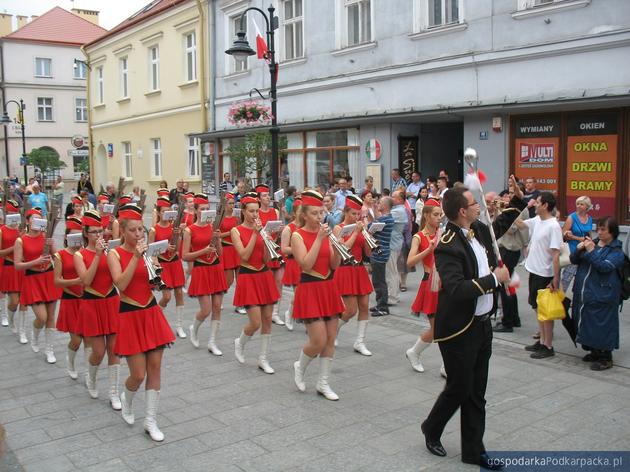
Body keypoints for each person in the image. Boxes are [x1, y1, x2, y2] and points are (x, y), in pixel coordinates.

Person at [420, 181, 524, 470]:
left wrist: (518, 198)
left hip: (482, 325)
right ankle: (432, 427)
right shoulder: (447, 246)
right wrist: (495, 279)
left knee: (476, 391)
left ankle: (474, 452)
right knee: (459, 387)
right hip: (458, 329)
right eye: (475, 203)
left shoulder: (478, 228)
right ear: (463, 211)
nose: (481, 206)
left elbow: (499, 223)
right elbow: (456, 289)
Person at [108, 203, 175, 442]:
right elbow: (121, 284)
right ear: (123, 231)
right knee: (137, 374)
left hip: (150, 311)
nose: (138, 235)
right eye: (134, 230)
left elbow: (154, 284)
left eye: (141, 230)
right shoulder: (114, 254)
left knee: (155, 368)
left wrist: (158, 275)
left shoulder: (148, 253)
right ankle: (127, 399)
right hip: (129, 313)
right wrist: (137, 257)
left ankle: (150, 420)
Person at [290, 190, 345, 400]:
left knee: (330, 338)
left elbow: (333, 264)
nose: (319, 217)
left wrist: (338, 248)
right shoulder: (297, 235)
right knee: (318, 340)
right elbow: (305, 264)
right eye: (314, 213)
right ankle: (300, 365)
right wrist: (319, 238)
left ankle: (323, 383)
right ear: (304, 215)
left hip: (328, 286)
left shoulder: (327, 233)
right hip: (310, 288)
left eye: (321, 213)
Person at [74, 211, 121, 407]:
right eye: (93, 232)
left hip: (110, 300)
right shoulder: (79, 254)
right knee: (98, 352)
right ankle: (91, 376)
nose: (98, 235)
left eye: (100, 231)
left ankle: (114, 392)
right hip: (92, 302)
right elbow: (86, 280)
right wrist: (98, 255)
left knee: (114, 350)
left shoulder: (111, 251)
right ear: (85, 233)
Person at [231, 192, 281, 373]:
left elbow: (267, 259)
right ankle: (240, 341)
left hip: (264, 274)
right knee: (255, 322)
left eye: (257, 212)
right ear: (243, 211)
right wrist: (254, 234)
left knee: (267, 319)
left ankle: (263, 358)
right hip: (248, 276)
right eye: (251, 211)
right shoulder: (235, 231)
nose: (254, 215)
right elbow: (243, 255)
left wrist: (268, 240)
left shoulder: (262, 230)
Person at [571, 216, 624, 371]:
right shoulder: (592, 244)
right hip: (585, 292)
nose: (599, 233)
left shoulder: (616, 251)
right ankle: (594, 351)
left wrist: (591, 251)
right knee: (587, 322)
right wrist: (579, 248)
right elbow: (573, 259)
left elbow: (603, 267)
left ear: (612, 232)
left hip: (604, 294)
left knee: (603, 325)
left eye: (603, 229)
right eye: (598, 229)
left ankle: (606, 356)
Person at [517, 192, 563, 359]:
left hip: (545, 274)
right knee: (537, 309)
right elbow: (520, 224)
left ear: (545, 205)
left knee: (546, 311)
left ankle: (548, 345)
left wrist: (555, 279)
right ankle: (542, 340)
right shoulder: (538, 221)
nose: (534, 204)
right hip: (534, 271)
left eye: (537, 202)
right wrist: (515, 207)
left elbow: (556, 254)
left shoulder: (553, 226)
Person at [14, 207, 61, 363]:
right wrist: (35, 261)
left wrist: (52, 244)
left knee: (51, 317)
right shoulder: (21, 240)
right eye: (34, 218)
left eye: (39, 218)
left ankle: (49, 350)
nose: (37, 221)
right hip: (33, 280)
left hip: (48, 277)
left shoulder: (45, 237)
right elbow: (17, 265)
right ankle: (34, 335)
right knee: (42, 317)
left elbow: (57, 257)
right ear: (27, 221)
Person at [182, 193, 227, 355]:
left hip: (215, 268)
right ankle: (194, 327)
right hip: (201, 269)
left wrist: (218, 239)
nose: (206, 212)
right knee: (206, 309)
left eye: (208, 209)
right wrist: (204, 250)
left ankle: (212, 342)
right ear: (195, 211)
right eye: (202, 209)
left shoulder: (213, 227)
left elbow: (220, 254)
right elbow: (185, 256)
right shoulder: (189, 230)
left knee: (217, 307)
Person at [334, 195, 374, 356]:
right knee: (350, 310)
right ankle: (333, 330)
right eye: (353, 214)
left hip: (359, 269)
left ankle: (360, 342)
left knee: (364, 307)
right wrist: (357, 232)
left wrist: (368, 238)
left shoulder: (360, 228)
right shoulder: (338, 228)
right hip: (345, 269)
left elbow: (368, 253)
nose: (356, 217)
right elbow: (345, 250)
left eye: (358, 214)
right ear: (345, 212)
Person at [406, 199, 442, 373]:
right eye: (435, 215)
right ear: (426, 215)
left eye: (440, 214)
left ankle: (446, 366)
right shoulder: (418, 237)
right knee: (437, 329)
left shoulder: (443, 232)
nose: (439, 218)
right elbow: (409, 261)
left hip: (446, 285)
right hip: (430, 285)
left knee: (447, 326)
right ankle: (414, 352)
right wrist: (428, 250)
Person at [148, 197, 187, 338]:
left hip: (175, 262)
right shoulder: (153, 230)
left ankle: (179, 326)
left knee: (179, 293)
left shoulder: (173, 227)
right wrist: (163, 250)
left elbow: (177, 248)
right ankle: (155, 319)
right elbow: (150, 252)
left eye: (169, 211)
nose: (167, 213)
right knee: (166, 296)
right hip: (163, 264)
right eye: (164, 211)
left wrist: (180, 235)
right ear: (158, 213)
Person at [493, 189, 530, 333]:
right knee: (509, 284)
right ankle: (514, 318)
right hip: (505, 248)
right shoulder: (507, 209)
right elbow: (497, 226)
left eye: (510, 195)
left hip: (511, 249)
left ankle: (507, 321)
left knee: (505, 285)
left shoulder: (519, 210)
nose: (506, 198)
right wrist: (498, 211)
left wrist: (504, 212)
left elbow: (509, 229)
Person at [54, 217, 84, 380]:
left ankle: (88, 372)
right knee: (76, 340)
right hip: (70, 300)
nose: (76, 239)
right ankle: (70, 361)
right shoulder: (60, 255)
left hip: (86, 299)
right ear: (66, 237)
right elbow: (57, 281)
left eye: (79, 235)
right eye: (73, 235)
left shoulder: (85, 253)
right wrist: (75, 283)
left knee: (89, 340)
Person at [256, 184, 285, 326]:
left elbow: (278, 232)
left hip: (275, 248)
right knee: (266, 281)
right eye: (265, 195)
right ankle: (264, 309)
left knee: (279, 280)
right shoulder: (256, 214)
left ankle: (275, 313)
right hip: (264, 249)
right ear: (259, 199)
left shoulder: (275, 211)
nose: (268, 197)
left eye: (268, 195)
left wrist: (280, 231)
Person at [0, 200, 26, 342]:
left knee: (23, 301)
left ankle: (22, 331)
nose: (13, 216)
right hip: (9, 267)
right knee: (14, 301)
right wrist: (16, 245)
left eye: (15, 213)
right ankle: (9, 316)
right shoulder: (2, 230)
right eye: (10, 213)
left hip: (22, 267)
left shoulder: (21, 229)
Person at [561, 196, 593, 292]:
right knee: (567, 278)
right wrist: (578, 238)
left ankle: (577, 299)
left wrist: (590, 241)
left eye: (581, 204)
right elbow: (563, 234)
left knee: (580, 278)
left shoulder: (589, 218)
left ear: (587, 207)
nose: (578, 206)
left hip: (584, 252)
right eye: (577, 204)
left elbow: (589, 233)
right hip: (572, 251)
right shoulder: (572, 217)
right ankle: (559, 299)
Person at [369, 197, 394, 316]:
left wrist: (367, 218)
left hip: (379, 253)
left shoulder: (384, 220)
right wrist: (374, 209)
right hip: (381, 252)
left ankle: (383, 307)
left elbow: (370, 227)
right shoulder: (387, 218)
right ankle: (380, 303)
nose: (378, 204)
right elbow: (376, 222)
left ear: (385, 206)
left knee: (379, 281)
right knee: (378, 280)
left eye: (380, 203)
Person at [280, 197, 302, 330]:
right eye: (300, 211)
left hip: (306, 262)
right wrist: (299, 248)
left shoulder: (307, 226)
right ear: (294, 213)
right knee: (298, 292)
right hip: (294, 262)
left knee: (305, 292)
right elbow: (284, 248)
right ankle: (289, 313)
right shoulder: (289, 228)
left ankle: (300, 314)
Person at [218, 193, 241, 310]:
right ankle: (218, 298)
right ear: (225, 205)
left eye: (233, 203)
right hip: (226, 248)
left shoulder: (236, 217)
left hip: (236, 248)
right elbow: (217, 235)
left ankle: (239, 304)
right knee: (229, 280)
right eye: (230, 203)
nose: (232, 206)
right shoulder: (220, 218)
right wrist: (230, 232)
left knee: (240, 279)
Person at [387, 190, 408, 305]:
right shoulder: (398, 209)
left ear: (400, 199)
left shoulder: (398, 211)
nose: (391, 198)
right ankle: (394, 295)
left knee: (391, 272)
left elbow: (382, 218)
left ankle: (392, 297)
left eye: (393, 197)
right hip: (395, 243)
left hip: (393, 244)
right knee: (393, 271)